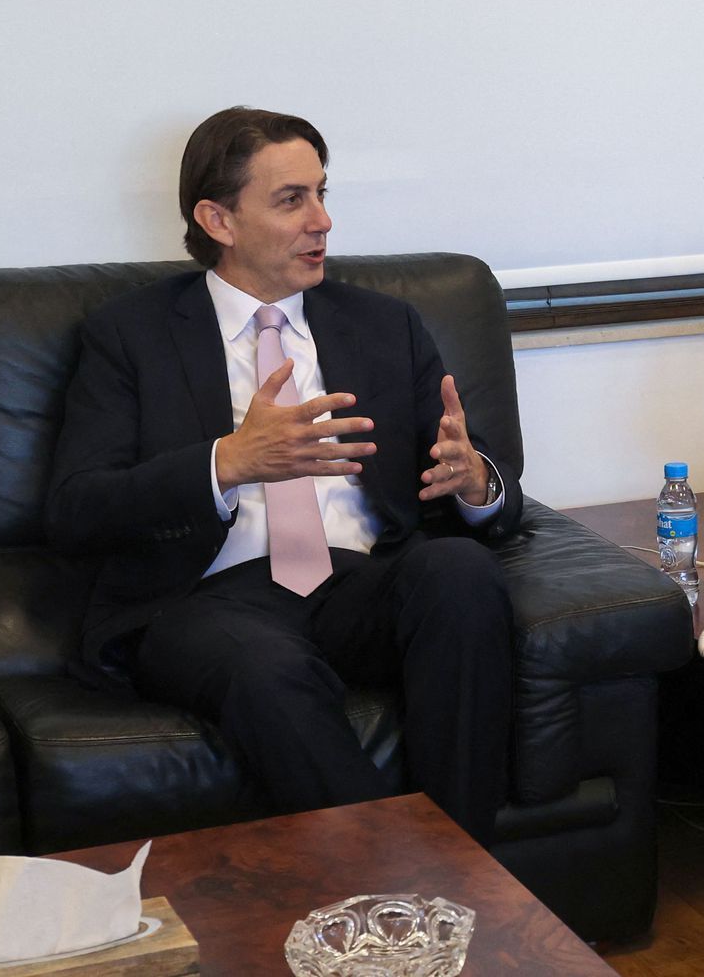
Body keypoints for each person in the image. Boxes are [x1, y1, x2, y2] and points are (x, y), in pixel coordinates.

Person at [45, 107, 521, 843]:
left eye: (323, 194)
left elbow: (479, 468)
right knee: (265, 667)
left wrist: (476, 483)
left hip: (358, 580)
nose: (323, 220)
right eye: (292, 199)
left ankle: (463, 864)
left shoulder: (383, 323)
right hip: (204, 599)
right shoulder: (128, 335)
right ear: (218, 219)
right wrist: (227, 462)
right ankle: (399, 899)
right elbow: (76, 509)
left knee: (458, 571)